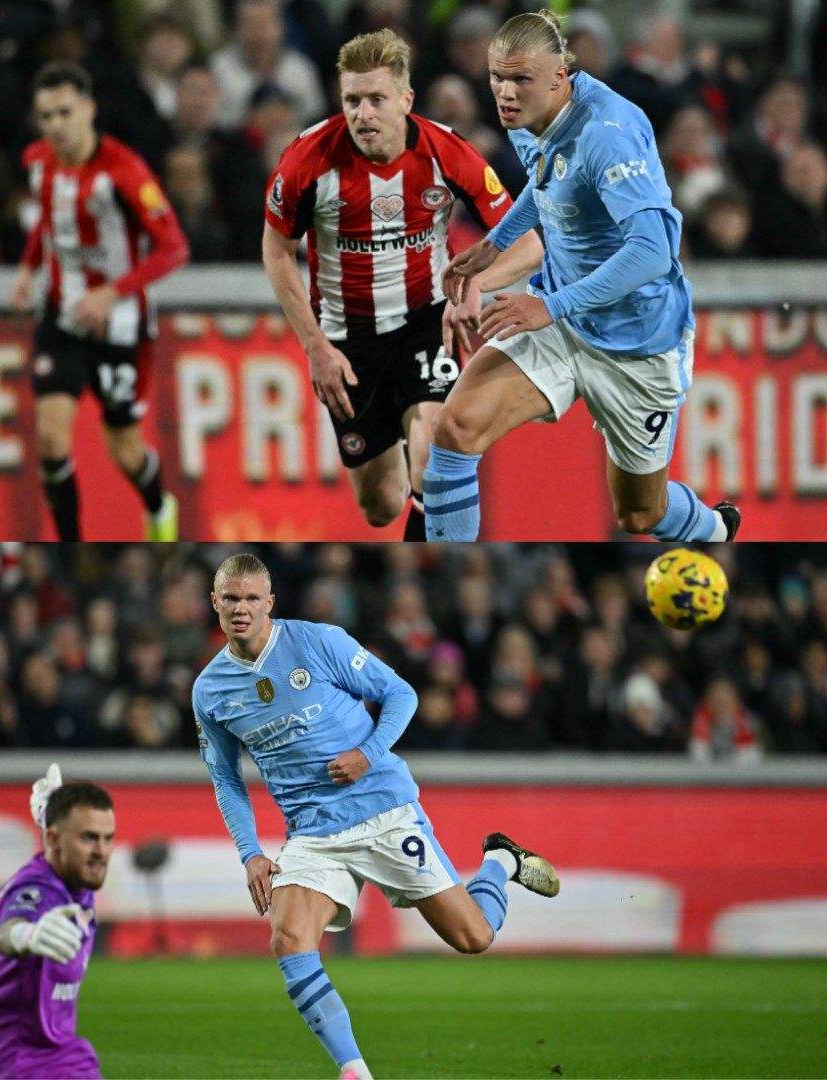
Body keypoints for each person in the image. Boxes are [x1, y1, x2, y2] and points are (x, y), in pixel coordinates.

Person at [193, 553, 559, 1079]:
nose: (241, 608)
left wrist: (367, 754)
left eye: (252, 598)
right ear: (215, 602)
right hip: (312, 832)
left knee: (473, 938)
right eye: (231, 598)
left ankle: (500, 861)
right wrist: (250, 853)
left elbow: (400, 694)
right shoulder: (210, 690)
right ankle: (355, 1071)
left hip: (382, 810)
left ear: (270, 602)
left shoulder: (318, 642)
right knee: (289, 938)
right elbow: (226, 779)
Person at [431, 10, 739, 543]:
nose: (505, 92)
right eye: (497, 77)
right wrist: (495, 243)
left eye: (520, 79)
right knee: (456, 429)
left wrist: (549, 306)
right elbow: (550, 182)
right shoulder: (529, 116)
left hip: (636, 342)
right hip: (562, 320)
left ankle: (715, 527)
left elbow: (654, 252)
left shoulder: (606, 135)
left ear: (560, 76)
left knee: (639, 514)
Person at [262, 31, 517, 539]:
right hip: (346, 339)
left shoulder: (447, 151)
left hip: (426, 321)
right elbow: (277, 252)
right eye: (352, 100)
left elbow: (523, 240)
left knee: (433, 449)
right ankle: (397, 443)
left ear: (405, 99)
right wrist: (315, 347)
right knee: (379, 506)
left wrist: (474, 283)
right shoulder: (306, 160)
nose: (363, 114)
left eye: (376, 99)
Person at [10, 61, 188, 542]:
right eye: (46, 116)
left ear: (89, 109)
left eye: (65, 112)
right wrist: (28, 269)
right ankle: (70, 542)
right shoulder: (37, 162)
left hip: (120, 325)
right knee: (51, 440)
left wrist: (111, 293)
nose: (56, 126)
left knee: (125, 451)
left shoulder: (124, 170)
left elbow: (174, 248)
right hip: (61, 316)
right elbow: (50, 222)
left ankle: (159, 507)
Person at [0, 765, 114, 1080]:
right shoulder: (37, 890)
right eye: (89, 838)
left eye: (108, 838)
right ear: (54, 840)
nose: (101, 852)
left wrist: (53, 817)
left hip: (63, 1051)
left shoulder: (78, 877)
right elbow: (9, 930)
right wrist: (28, 935)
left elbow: (62, 843)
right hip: (16, 1060)